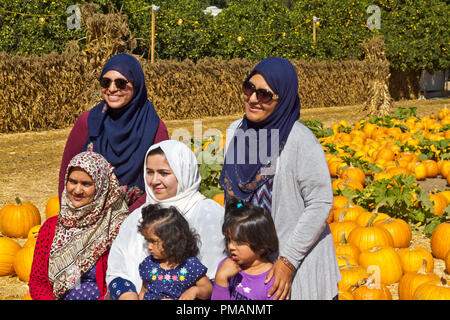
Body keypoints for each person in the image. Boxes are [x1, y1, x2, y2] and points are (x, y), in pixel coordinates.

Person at [218, 57, 341, 300]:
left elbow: (320, 203)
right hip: (251, 265)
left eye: (265, 94)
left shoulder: (299, 140)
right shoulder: (235, 132)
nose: (253, 99)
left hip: (297, 262)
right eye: (249, 88)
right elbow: (232, 200)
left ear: (281, 99)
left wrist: (288, 261)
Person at [106, 140, 226, 300]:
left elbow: (216, 278)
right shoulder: (137, 217)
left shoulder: (209, 214)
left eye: (164, 173)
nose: (154, 181)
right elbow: (117, 270)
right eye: (149, 172)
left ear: (184, 172)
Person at [58, 53, 169, 213]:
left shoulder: (154, 128)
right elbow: (66, 173)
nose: (111, 89)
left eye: (121, 83)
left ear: (136, 85)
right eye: (105, 82)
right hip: (85, 213)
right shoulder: (87, 121)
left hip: (134, 216)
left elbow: (159, 183)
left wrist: (125, 220)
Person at [29, 151, 129, 300]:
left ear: (101, 186)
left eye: (86, 184)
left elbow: (123, 281)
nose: (77, 190)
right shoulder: (51, 228)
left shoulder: (115, 227)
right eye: (72, 181)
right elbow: (38, 282)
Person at [137, 204, 212, 300]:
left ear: (172, 240)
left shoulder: (190, 265)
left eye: (153, 241)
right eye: (147, 241)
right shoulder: (148, 265)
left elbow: (208, 289)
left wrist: (195, 291)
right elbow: (143, 292)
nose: (149, 246)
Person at [211, 197, 278, 300]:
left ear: (260, 240)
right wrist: (221, 279)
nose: (230, 246)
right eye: (229, 239)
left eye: (238, 242)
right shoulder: (225, 267)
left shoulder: (272, 281)